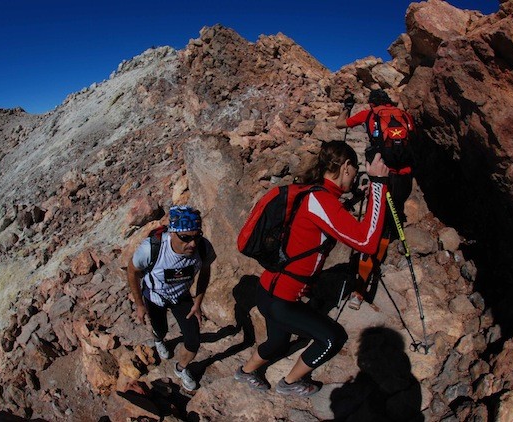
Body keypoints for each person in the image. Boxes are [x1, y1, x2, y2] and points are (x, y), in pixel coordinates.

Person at [235, 141, 389, 396]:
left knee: (277, 342)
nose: (354, 177)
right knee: (332, 338)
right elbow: (367, 242)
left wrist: (361, 196)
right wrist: (379, 185)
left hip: (267, 290)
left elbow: (326, 220)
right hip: (283, 299)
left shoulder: (312, 192)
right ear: (347, 167)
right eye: (354, 170)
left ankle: (245, 372)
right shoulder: (321, 200)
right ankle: (290, 383)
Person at [336, 89, 416, 310]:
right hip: (405, 178)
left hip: (383, 177)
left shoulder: (369, 114)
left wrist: (347, 107)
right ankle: (384, 243)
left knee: (375, 227)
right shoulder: (404, 115)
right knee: (388, 228)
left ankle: (359, 290)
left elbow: (340, 125)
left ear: (371, 104)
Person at [126, 205, 216, 391]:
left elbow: (205, 271)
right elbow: (132, 271)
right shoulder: (152, 248)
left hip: (181, 297)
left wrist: (198, 302)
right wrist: (139, 304)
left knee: (193, 340)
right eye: (186, 238)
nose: (192, 243)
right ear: (172, 233)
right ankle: (159, 339)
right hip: (155, 297)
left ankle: (181, 368)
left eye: (196, 236)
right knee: (161, 329)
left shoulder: (203, 247)